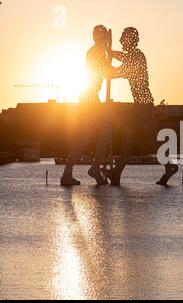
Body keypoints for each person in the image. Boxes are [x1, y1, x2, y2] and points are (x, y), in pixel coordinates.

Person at [107, 27, 178, 186]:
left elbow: (121, 71)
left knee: (151, 141)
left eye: (123, 39)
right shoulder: (133, 55)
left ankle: (170, 166)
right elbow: (123, 58)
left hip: (144, 106)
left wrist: (108, 67)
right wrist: (111, 53)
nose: (120, 41)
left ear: (130, 40)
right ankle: (117, 173)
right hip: (139, 106)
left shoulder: (137, 56)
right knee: (127, 139)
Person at [61, 25, 112, 186]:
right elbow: (107, 72)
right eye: (102, 37)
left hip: (87, 95)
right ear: (99, 38)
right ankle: (95, 168)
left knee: (85, 136)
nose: (103, 40)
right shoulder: (97, 52)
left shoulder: (95, 51)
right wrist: (110, 53)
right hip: (89, 96)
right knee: (106, 130)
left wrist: (109, 53)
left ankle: (67, 173)